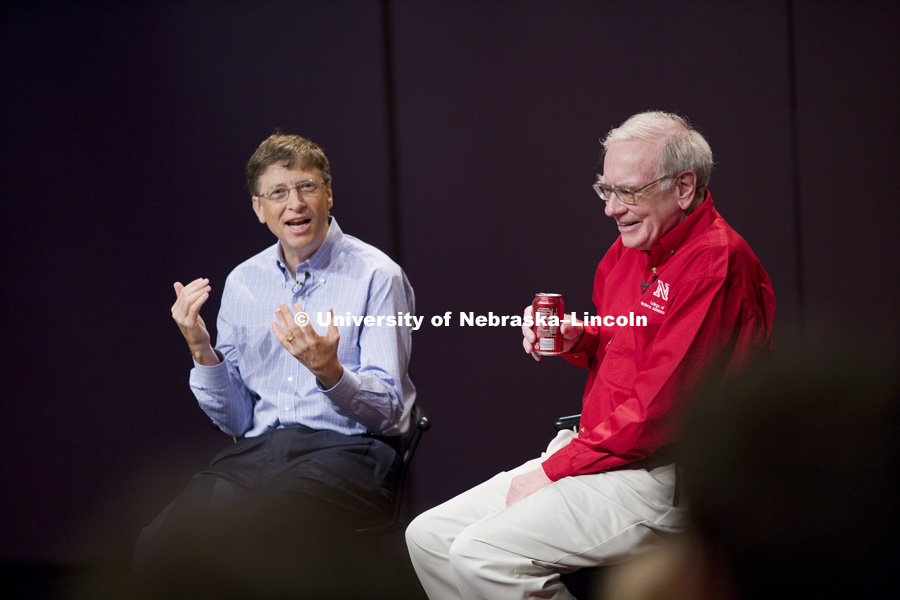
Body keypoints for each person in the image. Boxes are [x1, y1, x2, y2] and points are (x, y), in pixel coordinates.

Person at [405, 111, 776, 600]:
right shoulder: (630, 248)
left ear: (683, 187)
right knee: (428, 537)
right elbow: (624, 344)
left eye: (628, 192)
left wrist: (554, 469)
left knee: (481, 554)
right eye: (606, 190)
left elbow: (655, 413)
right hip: (607, 455)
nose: (611, 209)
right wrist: (576, 338)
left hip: (666, 473)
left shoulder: (714, 263)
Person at [134, 133, 416, 598]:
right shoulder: (244, 281)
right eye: (278, 193)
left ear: (328, 193)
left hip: (348, 452)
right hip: (257, 453)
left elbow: (390, 411)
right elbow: (236, 419)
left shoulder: (376, 275)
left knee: (268, 543)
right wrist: (201, 349)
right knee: (158, 545)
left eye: (306, 187)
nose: (294, 204)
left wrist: (331, 373)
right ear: (259, 208)